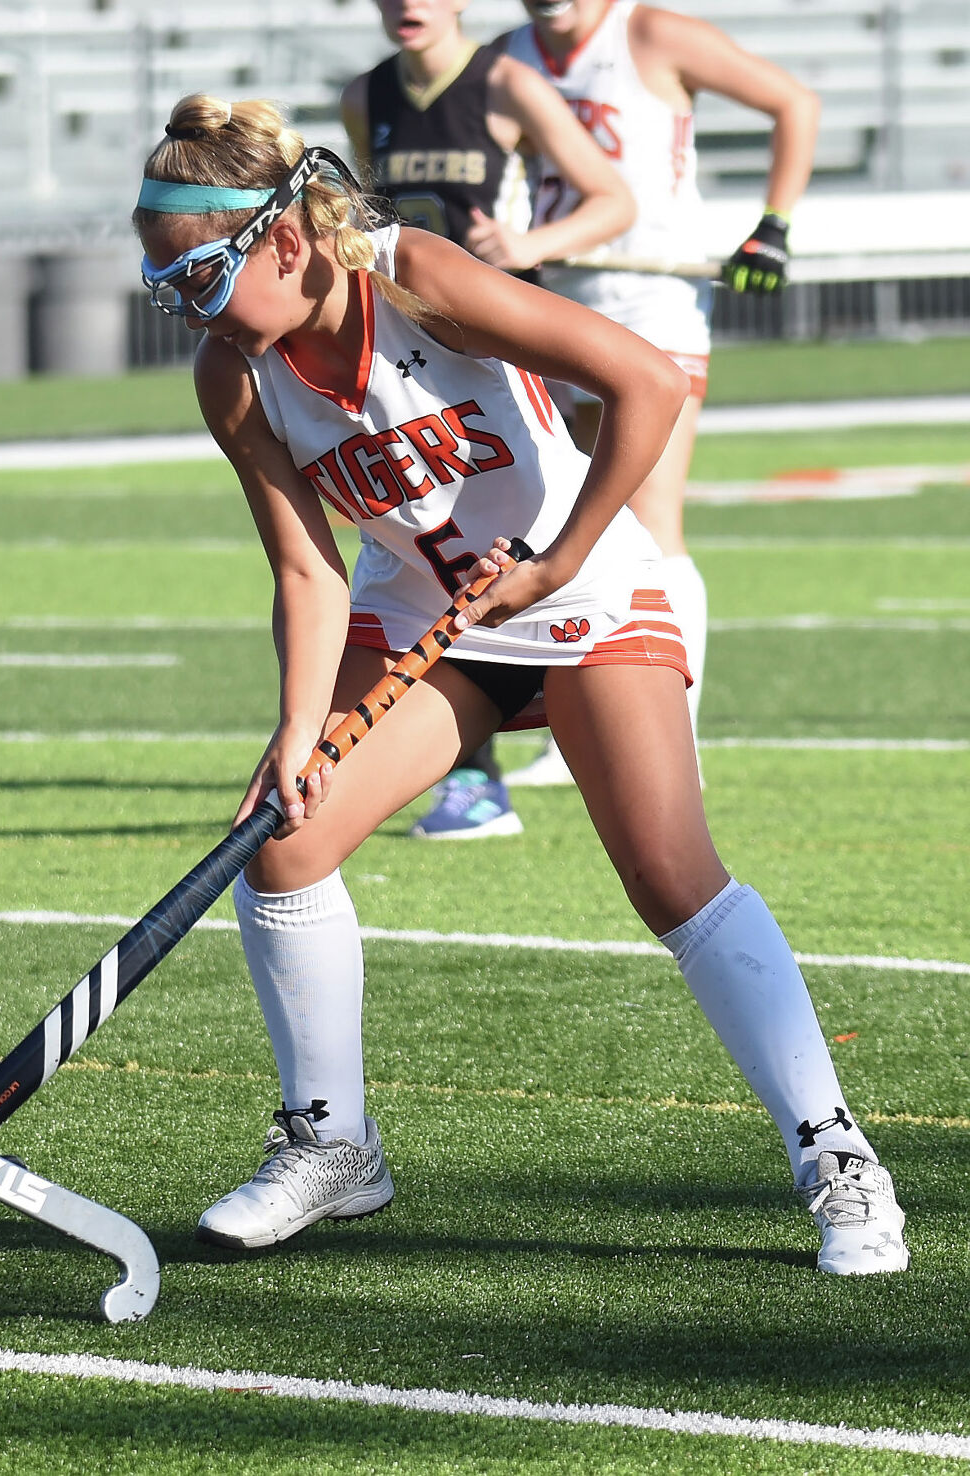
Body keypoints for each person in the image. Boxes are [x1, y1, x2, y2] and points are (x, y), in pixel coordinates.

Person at [134, 95, 903, 1275]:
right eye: (165, 287)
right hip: (421, 610)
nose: (185, 309)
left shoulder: (418, 278)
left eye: (194, 278)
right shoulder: (232, 376)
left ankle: (834, 1154)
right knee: (280, 836)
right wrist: (298, 733)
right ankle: (333, 1145)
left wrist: (555, 559)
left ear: (282, 243)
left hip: (573, 582)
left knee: (668, 876)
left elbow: (647, 382)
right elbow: (305, 564)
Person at [497, 0, 817, 788]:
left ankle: (675, 737)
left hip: (653, 303)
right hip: (555, 305)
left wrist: (772, 225)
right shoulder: (508, 55)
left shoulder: (649, 33)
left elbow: (793, 103)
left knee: (649, 517)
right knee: (571, 517)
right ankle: (576, 729)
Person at [341, 0, 636, 838]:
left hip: (504, 366)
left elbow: (611, 199)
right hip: (404, 362)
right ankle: (472, 775)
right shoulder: (365, 97)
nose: (407, 6)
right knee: (422, 548)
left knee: (526, 535)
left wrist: (528, 244)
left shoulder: (507, 81)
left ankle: (592, 710)